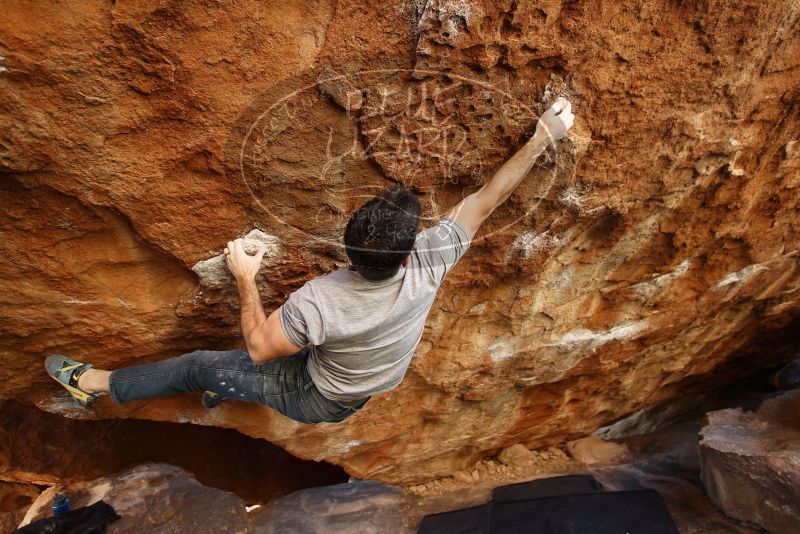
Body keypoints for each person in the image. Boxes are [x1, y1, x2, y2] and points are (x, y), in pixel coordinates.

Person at [45, 98, 574, 424]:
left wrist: (245, 279)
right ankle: (225, 389)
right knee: (258, 364)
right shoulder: (430, 261)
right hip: (360, 383)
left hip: (315, 395)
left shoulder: (322, 301)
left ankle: (96, 385)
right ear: (409, 247)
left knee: (202, 365)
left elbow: (255, 348)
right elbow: (487, 198)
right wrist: (541, 139)